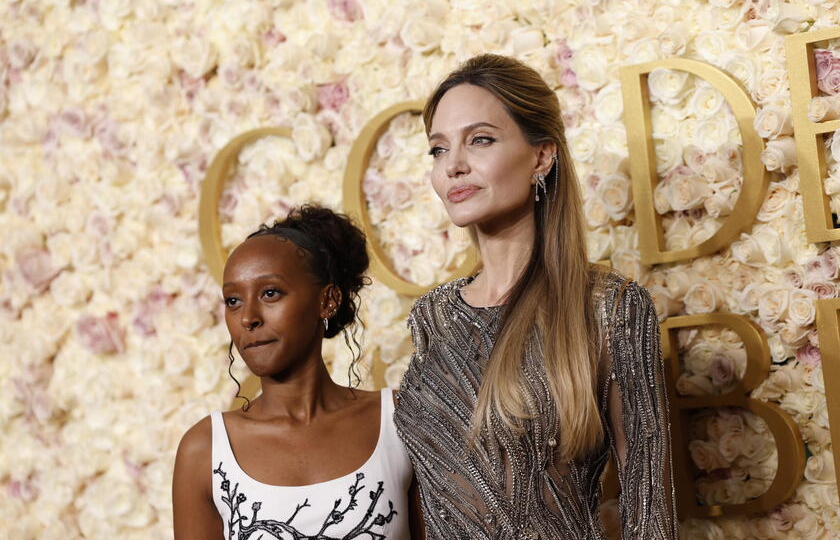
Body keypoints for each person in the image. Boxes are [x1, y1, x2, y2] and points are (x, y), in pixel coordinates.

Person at [393, 54, 677, 539]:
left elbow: (649, 507)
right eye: (438, 150)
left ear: (542, 157)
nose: (454, 166)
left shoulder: (610, 308)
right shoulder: (433, 316)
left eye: (480, 140)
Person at [173, 205, 416, 539]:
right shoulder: (205, 450)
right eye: (233, 301)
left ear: (327, 301)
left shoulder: (400, 421)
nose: (248, 318)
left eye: (270, 293)